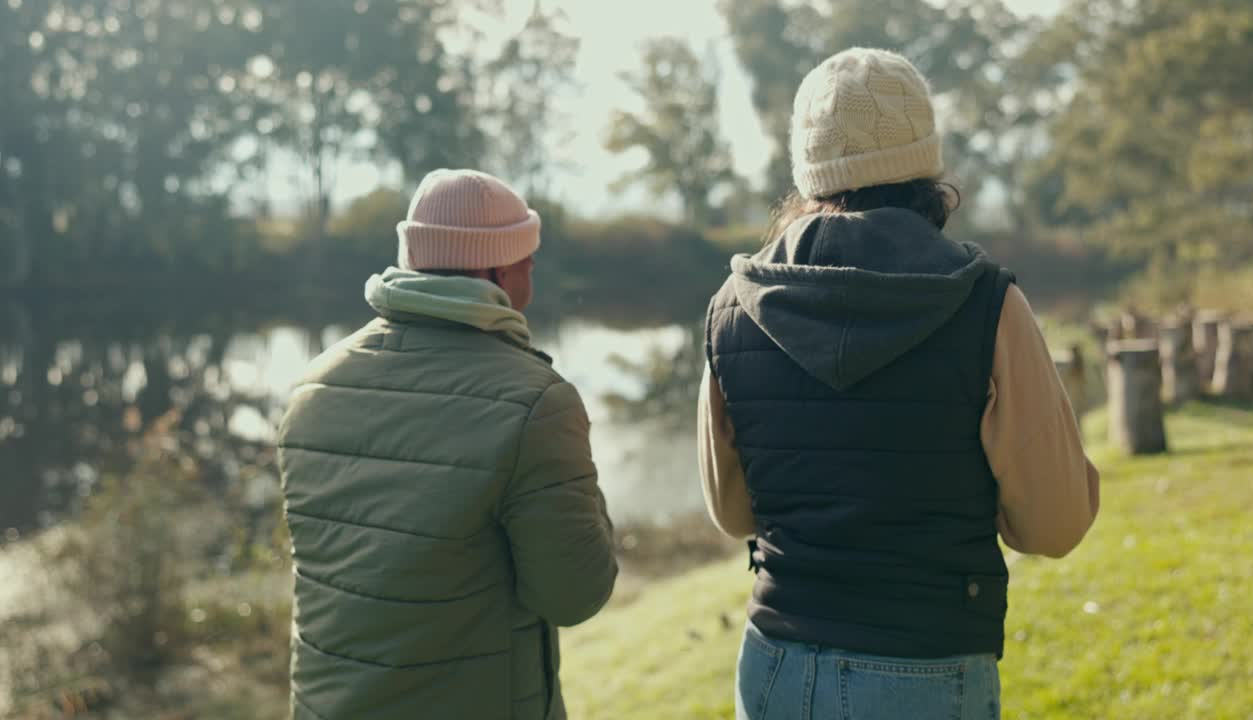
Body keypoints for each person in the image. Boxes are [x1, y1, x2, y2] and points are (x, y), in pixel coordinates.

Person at [699, 48, 1100, 720]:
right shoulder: (988, 304)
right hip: (927, 668)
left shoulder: (732, 306)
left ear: (808, 168)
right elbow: (1055, 524)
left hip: (775, 663)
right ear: (925, 164)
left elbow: (733, 513)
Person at [277, 169, 617, 720]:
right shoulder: (534, 403)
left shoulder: (313, 386)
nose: (533, 276)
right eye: (528, 262)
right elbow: (574, 595)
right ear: (499, 271)